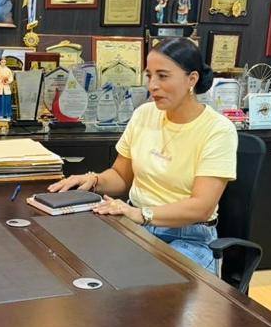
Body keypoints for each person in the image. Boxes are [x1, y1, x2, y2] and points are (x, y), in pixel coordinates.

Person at [48, 38, 237, 271]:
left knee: (149, 283)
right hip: (135, 225)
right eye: (149, 76)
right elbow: (121, 176)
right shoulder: (144, 114)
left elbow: (202, 207)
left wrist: (141, 214)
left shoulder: (218, 129)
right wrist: (93, 180)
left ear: (192, 79)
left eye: (163, 76)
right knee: (75, 265)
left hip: (189, 236)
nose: (152, 85)